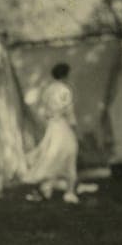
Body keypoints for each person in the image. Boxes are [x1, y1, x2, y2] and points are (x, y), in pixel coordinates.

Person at [24, 62, 84, 204]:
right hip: (62, 126)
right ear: (65, 74)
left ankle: (48, 189)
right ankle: (67, 190)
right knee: (68, 153)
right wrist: (76, 129)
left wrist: (51, 119)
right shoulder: (65, 90)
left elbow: (44, 111)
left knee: (53, 154)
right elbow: (69, 112)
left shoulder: (48, 90)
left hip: (52, 126)